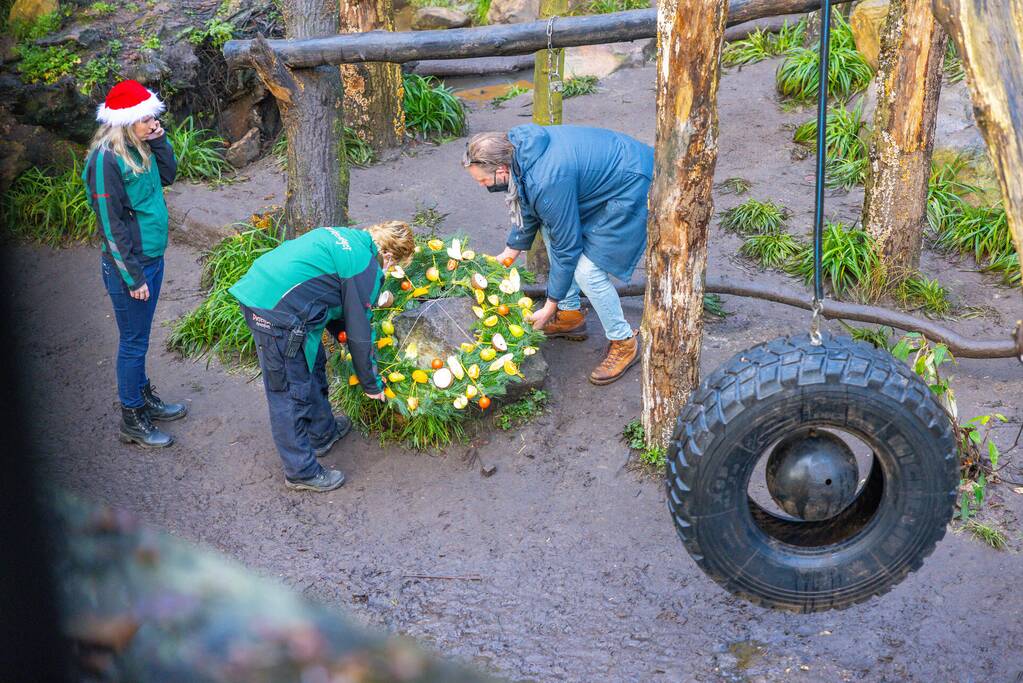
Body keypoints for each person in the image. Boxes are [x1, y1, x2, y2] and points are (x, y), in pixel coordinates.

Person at [230, 222, 415, 492]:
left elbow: (334, 299)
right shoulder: (364, 268)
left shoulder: (351, 239)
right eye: (393, 265)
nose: (388, 271)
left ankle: (322, 432)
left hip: (272, 290)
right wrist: (371, 384)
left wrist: (345, 339)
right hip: (274, 311)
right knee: (290, 390)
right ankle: (300, 471)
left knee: (313, 360)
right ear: (388, 256)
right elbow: (359, 329)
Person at [463, 124, 654, 385]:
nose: (483, 185)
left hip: (632, 180)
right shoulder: (520, 152)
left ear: (501, 170)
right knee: (551, 230)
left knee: (588, 271)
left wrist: (549, 304)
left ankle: (624, 341)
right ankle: (570, 315)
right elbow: (530, 201)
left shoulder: (546, 178)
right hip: (610, 170)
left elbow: (567, 247)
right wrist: (510, 251)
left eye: (483, 180)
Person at [83, 79, 187, 448]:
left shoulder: (140, 145)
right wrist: (132, 277)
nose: (152, 123)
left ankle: (143, 397)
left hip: (152, 258)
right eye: (145, 119)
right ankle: (132, 418)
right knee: (133, 342)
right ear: (124, 121)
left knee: (140, 338)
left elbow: (169, 175)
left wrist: (159, 140)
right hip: (131, 267)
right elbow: (110, 225)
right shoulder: (105, 159)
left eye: (152, 118)